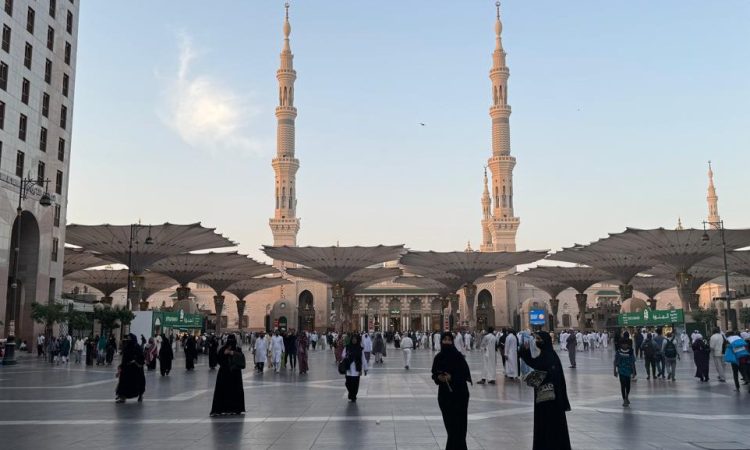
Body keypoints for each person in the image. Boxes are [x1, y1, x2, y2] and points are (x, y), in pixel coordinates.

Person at [519, 331, 572, 450]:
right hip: (546, 398)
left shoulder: (549, 357)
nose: (537, 342)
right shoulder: (546, 355)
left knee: (551, 426)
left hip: (550, 400)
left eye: (539, 339)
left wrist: (537, 377)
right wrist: (524, 351)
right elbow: (536, 364)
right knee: (546, 425)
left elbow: (548, 373)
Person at [432, 332, 472, 450]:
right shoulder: (439, 357)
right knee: (450, 427)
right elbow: (434, 373)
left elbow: (464, 374)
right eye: (445, 339)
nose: (447, 342)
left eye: (449, 340)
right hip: (445, 398)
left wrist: (452, 377)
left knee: (459, 428)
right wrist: (439, 378)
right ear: (441, 341)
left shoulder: (458, 356)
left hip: (459, 396)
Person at [210, 335, 246, 416]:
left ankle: (235, 409)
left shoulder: (237, 349)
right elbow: (218, 359)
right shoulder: (223, 349)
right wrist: (224, 354)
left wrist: (232, 353)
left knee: (234, 391)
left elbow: (242, 359)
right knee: (223, 391)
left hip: (234, 374)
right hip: (225, 374)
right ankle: (222, 409)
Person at [116, 334, 146, 404]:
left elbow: (141, 358)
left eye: (130, 339)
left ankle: (140, 395)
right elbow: (124, 358)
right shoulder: (127, 347)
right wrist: (121, 367)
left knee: (138, 383)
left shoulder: (137, 347)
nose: (128, 340)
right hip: (127, 368)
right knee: (123, 383)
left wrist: (135, 360)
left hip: (135, 369)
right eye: (128, 338)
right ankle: (122, 397)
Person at [341, 334, 368, 402]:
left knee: (355, 384)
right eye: (353, 339)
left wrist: (365, 368)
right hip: (348, 368)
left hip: (356, 369)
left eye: (355, 339)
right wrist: (346, 355)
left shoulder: (360, 349)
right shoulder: (347, 347)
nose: (354, 340)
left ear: (357, 340)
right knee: (348, 383)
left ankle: (353, 396)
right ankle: (351, 393)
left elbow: (363, 359)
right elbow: (343, 355)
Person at [614, 338, 636, 407]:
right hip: (621, 370)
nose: (624, 345)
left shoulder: (630, 352)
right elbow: (615, 361)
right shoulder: (618, 352)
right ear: (621, 345)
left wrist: (634, 371)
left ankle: (627, 396)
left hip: (628, 370)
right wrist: (614, 370)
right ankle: (624, 399)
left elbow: (632, 362)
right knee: (623, 385)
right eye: (623, 344)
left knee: (628, 385)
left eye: (626, 344)